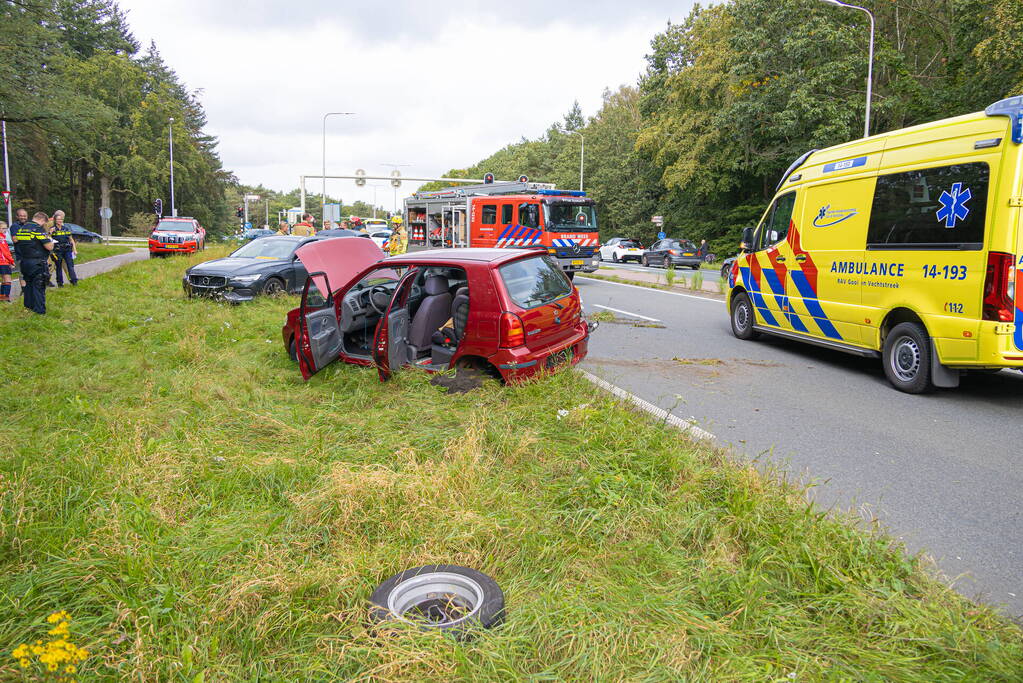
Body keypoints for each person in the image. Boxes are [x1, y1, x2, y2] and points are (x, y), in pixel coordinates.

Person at [12, 211, 53, 314]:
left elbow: (17, 241)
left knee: (28, 285)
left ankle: (29, 308)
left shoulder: (21, 229)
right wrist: (50, 239)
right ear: (42, 220)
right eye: (44, 223)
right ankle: (39, 311)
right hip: (37, 262)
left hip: (24, 261)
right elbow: (48, 246)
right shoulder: (38, 230)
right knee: (39, 286)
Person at [49, 210, 77, 287]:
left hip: (67, 249)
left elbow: (71, 239)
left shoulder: (66, 228)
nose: (60, 221)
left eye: (61, 219)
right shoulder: (52, 229)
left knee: (70, 265)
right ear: (55, 220)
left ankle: (74, 281)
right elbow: (48, 239)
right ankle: (60, 283)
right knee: (58, 267)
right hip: (58, 250)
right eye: (58, 219)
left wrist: (74, 249)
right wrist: (50, 233)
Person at [10, 208, 28, 288]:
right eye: (21, 216)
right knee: (22, 273)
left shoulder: (29, 225)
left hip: (30, 253)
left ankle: (29, 289)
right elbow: (15, 239)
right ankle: (24, 290)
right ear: (17, 216)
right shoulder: (15, 226)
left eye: (24, 216)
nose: (23, 217)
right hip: (21, 253)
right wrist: (28, 236)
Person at [0, 222, 14, 302]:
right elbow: (5, 251)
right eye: (3, 228)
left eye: (6, 228)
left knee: (3, 279)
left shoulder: (3, 237)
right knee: (7, 279)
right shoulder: (1, 238)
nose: (5, 230)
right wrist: (11, 261)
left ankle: (2, 297)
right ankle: (6, 298)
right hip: (3, 261)